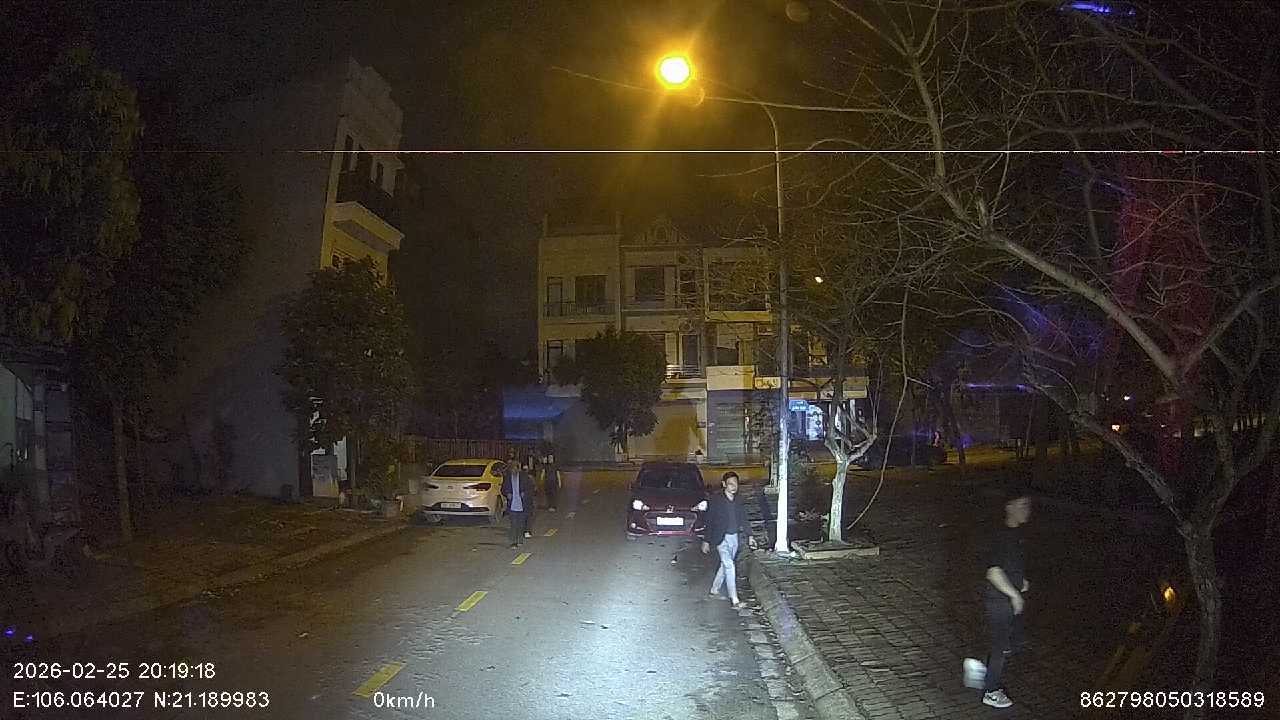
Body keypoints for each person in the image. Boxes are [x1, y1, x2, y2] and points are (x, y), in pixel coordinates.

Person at [978, 484, 1033, 709]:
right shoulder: (1003, 536)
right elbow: (993, 571)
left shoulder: (1016, 534)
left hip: (1006, 599)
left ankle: (986, 675)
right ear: (1009, 507)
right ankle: (991, 691)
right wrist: (1014, 595)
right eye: (1023, 505)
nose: (1027, 510)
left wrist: (1021, 581)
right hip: (999, 601)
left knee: (1005, 644)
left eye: (1028, 505)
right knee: (1000, 646)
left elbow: (1010, 565)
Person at [701, 471, 756, 608]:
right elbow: (710, 521)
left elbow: (743, 519)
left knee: (725, 565)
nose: (733, 487)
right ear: (724, 484)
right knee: (729, 565)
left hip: (734, 538)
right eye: (730, 484)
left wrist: (750, 536)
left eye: (735, 484)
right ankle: (735, 599)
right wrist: (706, 540)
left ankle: (714, 590)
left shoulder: (738, 500)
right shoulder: (716, 500)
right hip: (721, 538)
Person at [501, 451, 533, 548]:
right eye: (512, 468)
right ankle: (514, 541)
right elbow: (503, 489)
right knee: (514, 524)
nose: (514, 470)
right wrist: (507, 494)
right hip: (512, 505)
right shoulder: (507, 478)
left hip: (523, 505)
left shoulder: (524, 477)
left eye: (515, 467)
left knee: (521, 524)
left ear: (518, 468)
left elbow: (530, 488)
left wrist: (525, 493)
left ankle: (520, 540)